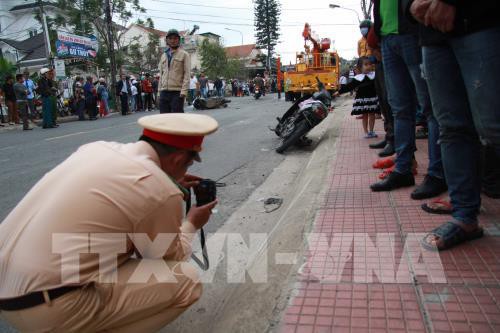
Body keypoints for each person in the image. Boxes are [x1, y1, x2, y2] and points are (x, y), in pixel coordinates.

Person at [0, 113, 218, 332]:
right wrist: (191, 223)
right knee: (186, 281)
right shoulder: (160, 190)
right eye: (187, 164)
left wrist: (167, 180)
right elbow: (168, 258)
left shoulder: (96, 149)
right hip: (46, 308)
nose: (186, 171)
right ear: (178, 158)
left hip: (8, 289)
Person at [406, 0, 500, 250]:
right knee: (451, 127)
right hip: (432, 33)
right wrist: (411, 6)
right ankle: (464, 217)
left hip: (479, 19)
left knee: (492, 123)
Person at [369, 0, 447, 204]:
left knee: (430, 108)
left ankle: (437, 173)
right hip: (387, 38)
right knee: (400, 109)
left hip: (412, 32)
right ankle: (403, 169)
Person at [336, 57, 380, 138]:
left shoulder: (374, 75)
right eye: (366, 64)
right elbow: (349, 87)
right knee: (365, 116)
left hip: (372, 99)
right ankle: (366, 132)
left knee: (372, 115)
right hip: (362, 100)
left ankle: (371, 131)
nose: (368, 66)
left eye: (370, 64)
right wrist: (339, 92)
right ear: (360, 67)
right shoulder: (358, 78)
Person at [158, 29, 190, 113]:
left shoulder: (184, 54)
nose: (173, 40)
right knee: (164, 119)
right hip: (164, 92)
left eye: (175, 38)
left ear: (179, 40)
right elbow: (161, 75)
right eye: (170, 38)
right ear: (167, 40)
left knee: (177, 119)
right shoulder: (163, 55)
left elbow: (187, 74)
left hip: (177, 92)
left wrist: (184, 91)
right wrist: (159, 92)